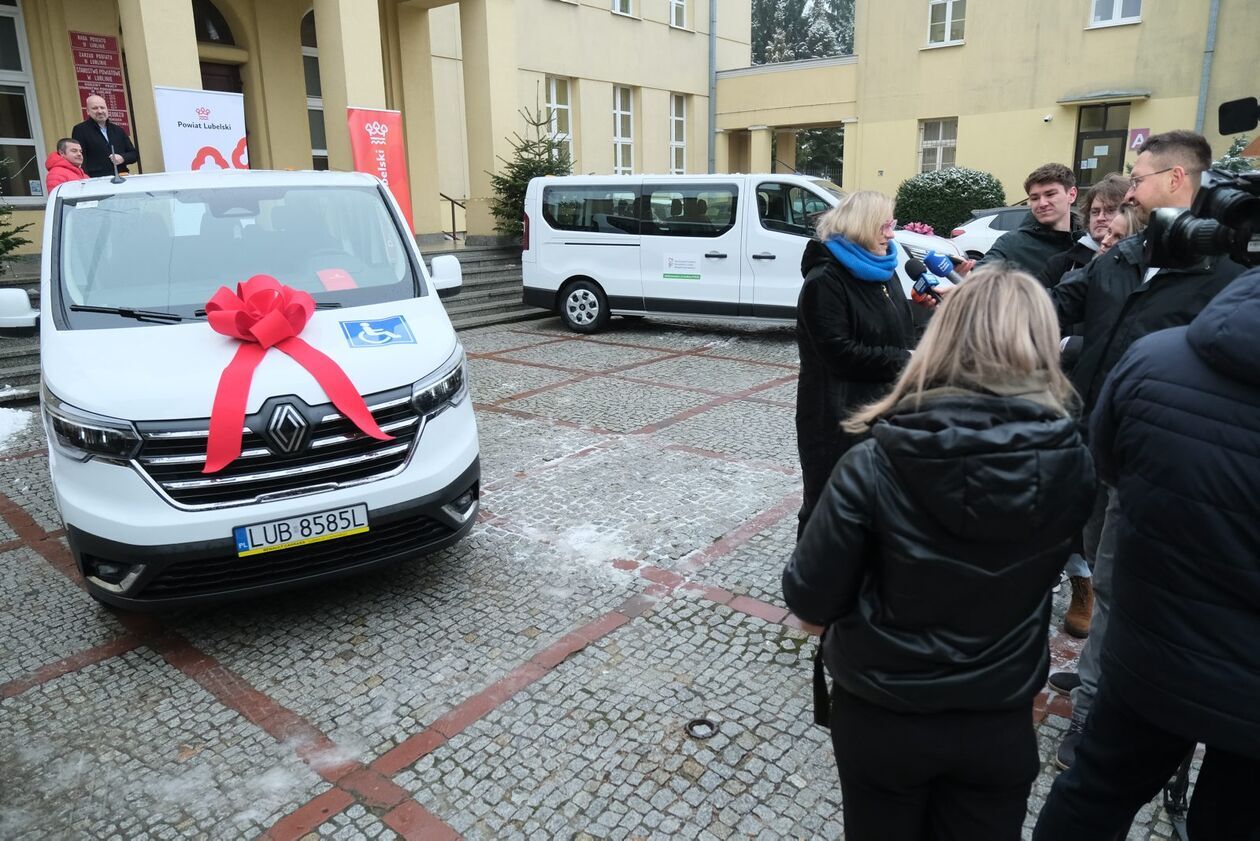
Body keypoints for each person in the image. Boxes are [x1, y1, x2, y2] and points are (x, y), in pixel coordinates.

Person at [784, 267, 1096, 841]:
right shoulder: (1074, 462)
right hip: (998, 716)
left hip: (885, 713)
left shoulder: (875, 461)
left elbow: (810, 599)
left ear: (941, 337)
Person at [1043, 129, 1246, 769]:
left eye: (1140, 177)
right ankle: (1105, 673)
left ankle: (1099, 712)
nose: (1129, 189)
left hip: (1153, 464)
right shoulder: (1124, 256)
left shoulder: (1227, 278)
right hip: (1089, 442)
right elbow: (1061, 304)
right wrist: (992, 305)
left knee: (1122, 581)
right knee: (1098, 576)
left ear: (1178, 182)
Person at [1034, 268, 1260, 841]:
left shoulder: (1155, 359)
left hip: (1152, 651)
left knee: (1093, 796)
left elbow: (1110, 468)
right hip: (1200, 666)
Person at [794, 190, 914, 538]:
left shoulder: (882, 269)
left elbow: (896, 328)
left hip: (884, 407)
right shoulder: (825, 280)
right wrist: (904, 360)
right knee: (829, 501)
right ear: (861, 227)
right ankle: (815, 579)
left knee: (875, 500)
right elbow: (839, 353)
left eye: (892, 225)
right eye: (885, 226)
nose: (891, 234)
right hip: (836, 416)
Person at [975, 163, 1082, 274]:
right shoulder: (1011, 244)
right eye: (1035, 198)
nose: (1042, 203)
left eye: (1050, 194)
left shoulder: (1090, 241)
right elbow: (980, 276)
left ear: (1072, 195)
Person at [1039, 173, 1128, 288]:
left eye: (1110, 210)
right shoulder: (1063, 264)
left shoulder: (1146, 261)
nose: (1100, 218)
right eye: (1095, 212)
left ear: (1130, 214)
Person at [71, 94, 138, 178]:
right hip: (96, 180)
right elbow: (80, 158)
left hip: (122, 178)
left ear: (107, 109)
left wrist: (122, 157)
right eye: (95, 108)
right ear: (88, 111)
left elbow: (134, 154)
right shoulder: (80, 130)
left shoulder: (118, 130)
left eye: (102, 107)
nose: (100, 111)